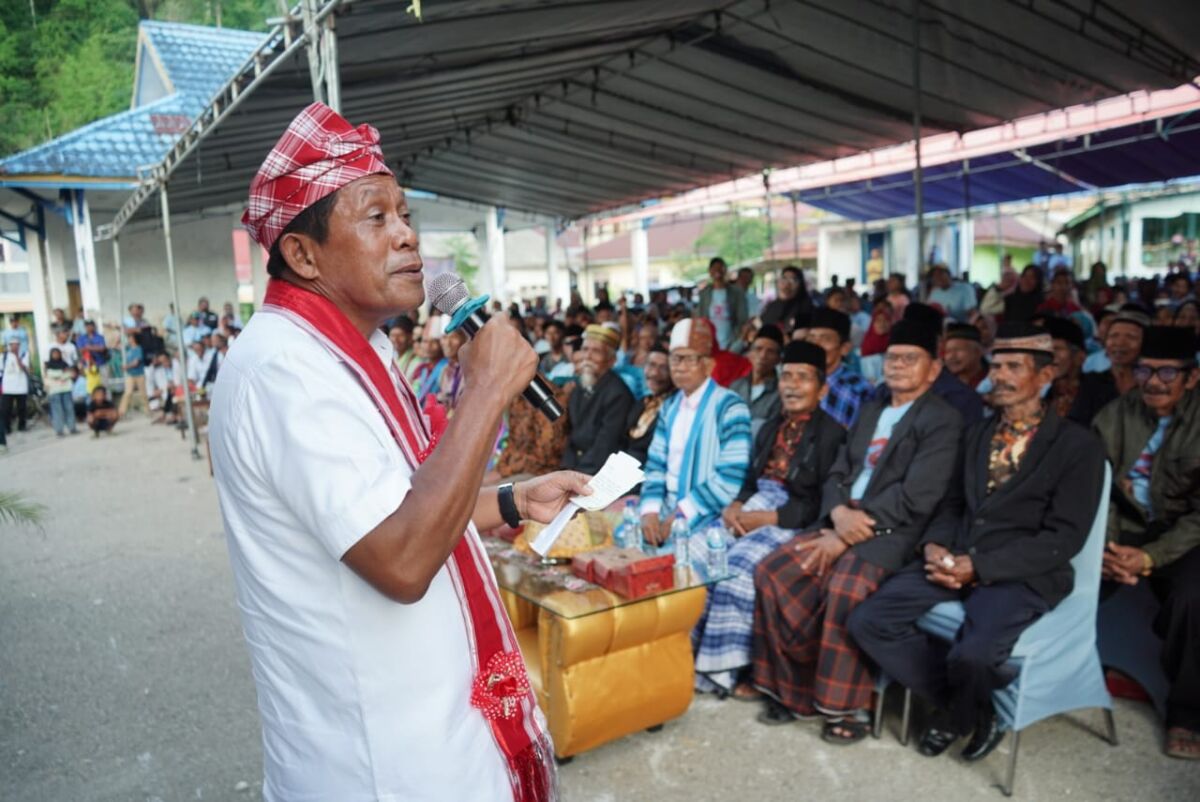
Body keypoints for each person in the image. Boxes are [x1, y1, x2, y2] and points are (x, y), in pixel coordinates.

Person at [209, 102, 584, 800]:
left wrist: (508, 500)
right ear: (302, 253)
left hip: (436, 736)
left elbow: (397, 509)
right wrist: (483, 393)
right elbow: (402, 558)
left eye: (405, 215)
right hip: (382, 763)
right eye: (376, 217)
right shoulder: (284, 371)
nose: (408, 236)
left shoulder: (360, 350)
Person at [849, 323, 1106, 762]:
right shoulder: (977, 433)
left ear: (1044, 378)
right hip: (955, 559)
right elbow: (950, 505)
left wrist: (980, 567)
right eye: (996, 365)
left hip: (1021, 575)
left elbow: (1064, 539)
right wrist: (933, 545)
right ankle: (969, 705)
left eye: (1012, 368)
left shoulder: (1077, 446)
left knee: (975, 654)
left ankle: (956, 713)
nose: (998, 376)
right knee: (868, 621)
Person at [750, 319, 960, 741]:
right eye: (892, 357)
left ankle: (847, 709)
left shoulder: (942, 420)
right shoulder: (872, 410)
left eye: (910, 359)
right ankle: (793, 692)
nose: (897, 365)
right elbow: (838, 472)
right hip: (843, 517)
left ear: (933, 369)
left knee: (844, 588)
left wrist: (846, 532)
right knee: (773, 572)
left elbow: (918, 495)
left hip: (894, 532)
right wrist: (839, 514)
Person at [692, 341, 846, 697]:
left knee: (735, 573)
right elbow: (748, 477)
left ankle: (728, 669)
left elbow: (823, 499)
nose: (791, 385)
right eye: (787, 376)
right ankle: (686, 652)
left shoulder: (835, 435)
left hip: (791, 517)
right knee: (696, 554)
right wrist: (735, 505)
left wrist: (773, 516)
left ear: (822, 388)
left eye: (802, 378)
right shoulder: (769, 426)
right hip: (752, 504)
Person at [1093, 326, 1200, 760]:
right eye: (1145, 370)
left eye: (1167, 373)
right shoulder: (1115, 415)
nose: (1153, 382)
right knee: (1055, 574)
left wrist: (1152, 557)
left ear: (1192, 378)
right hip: (1120, 532)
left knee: (1194, 598)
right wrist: (1107, 548)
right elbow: (1093, 490)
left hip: (1183, 533)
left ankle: (1187, 712)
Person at [639, 317, 752, 545]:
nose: (679, 367)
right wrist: (649, 511)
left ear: (709, 365)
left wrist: (681, 514)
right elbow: (655, 465)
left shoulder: (730, 406)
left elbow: (729, 478)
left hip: (708, 512)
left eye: (688, 359)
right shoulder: (669, 407)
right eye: (675, 359)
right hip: (666, 508)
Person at [561, 323, 635, 474]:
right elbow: (570, 435)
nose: (587, 356)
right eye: (585, 349)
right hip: (575, 468)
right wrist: (566, 470)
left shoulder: (618, 394)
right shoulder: (581, 385)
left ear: (611, 360)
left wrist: (574, 477)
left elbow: (605, 447)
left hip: (599, 473)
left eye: (596, 351)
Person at [1069, 308, 1147, 425]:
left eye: (1131, 337)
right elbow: (1078, 425)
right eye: (1114, 336)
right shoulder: (1092, 382)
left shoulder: (1150, 383)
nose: (1120, 343)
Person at [806, 308, 874, 428]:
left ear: (845, 348)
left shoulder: (859, 389)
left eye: (825, 339)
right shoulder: (795, 381)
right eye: (811, 338)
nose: (816, 345)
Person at [624, 344, 674, 466]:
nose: (654, 373)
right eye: (651, 365)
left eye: (664, 368)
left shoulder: (674, 408)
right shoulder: (642, 402)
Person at [730, 326, 783, 439]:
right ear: (750, 354)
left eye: (770, 351)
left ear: (778, 359)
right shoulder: (736, 386)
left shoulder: (781, 393)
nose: (763, 356)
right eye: (758, 349)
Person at [699, 257, 749, 350]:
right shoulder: (704, 293)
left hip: (732, 342)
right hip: (711, 342)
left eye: (720, 268)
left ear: (725, 270)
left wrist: (738, 339)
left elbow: (742, 318)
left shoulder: (736, 292)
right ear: (709, 271)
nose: (717, 271)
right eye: (714, 268)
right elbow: (701, 317)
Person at [1043, 316, 1086, 418]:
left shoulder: (1099, 393)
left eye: (1057, 348)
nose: (1051, 356)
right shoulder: (1045, 398)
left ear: (1079, 357)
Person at [760, 266, 813, 335]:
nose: (787, 284)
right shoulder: (772, 306)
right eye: (784, 278)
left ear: (800, 284)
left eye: (793, 280)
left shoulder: (805, 306)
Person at [42, 348, 77, 436]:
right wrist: (64, 375)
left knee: (69, 408)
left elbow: (71, 374)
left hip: (66, 389)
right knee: (57, 411)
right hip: (54, 391)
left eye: (58, 353)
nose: (56, 355)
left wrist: (61, 375)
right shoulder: (48, 365)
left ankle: (72, 427)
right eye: (54, 354)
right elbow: (50, 375)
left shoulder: (65, 364)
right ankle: (59, 430)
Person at [942, 323, 988, 390]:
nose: (951, 356)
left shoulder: (993, 380)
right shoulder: (940, 383)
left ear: (977, 352)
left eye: (957, 350)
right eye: (947, 351)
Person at [1, 340, 30, 434]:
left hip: (21, 386)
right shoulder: (3, 357)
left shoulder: (24, 355)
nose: (15, 346)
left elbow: (24, 368)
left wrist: (17, 356)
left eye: (17, 345)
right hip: (8, 387)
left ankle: (22, 425)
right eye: (12, 345)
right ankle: (7, 428)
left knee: (22, 407)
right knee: (6, 409)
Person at [119, 332, 148, 418]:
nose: (129, 339)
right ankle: (121, 412)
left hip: (139, 374)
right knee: (128, 392)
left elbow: (137, 362)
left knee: (143, 393)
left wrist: (126, 367)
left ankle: (147, 410)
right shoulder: (128, 349)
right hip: (130, 374)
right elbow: (116, 345)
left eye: (131, 337)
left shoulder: (138, 349)